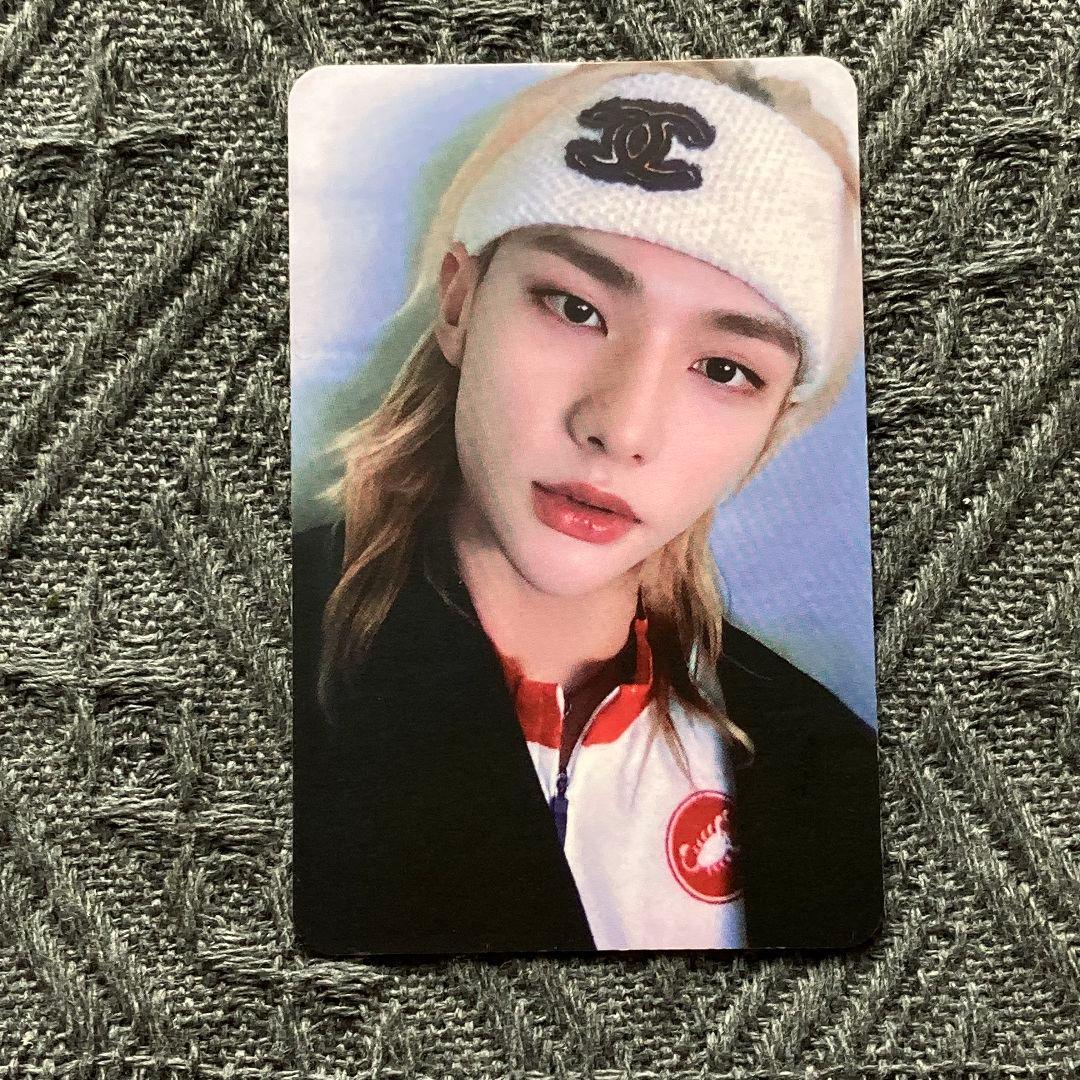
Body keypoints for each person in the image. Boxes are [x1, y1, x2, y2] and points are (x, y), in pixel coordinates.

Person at [292, 59, 882, 955]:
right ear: (459, 302)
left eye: (725, 369)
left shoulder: (833, 770)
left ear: (770, 430)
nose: (620, 428)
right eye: (575, 307)